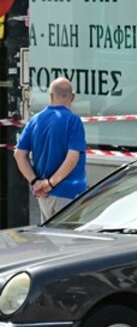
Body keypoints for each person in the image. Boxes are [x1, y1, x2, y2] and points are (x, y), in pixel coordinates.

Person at [14, 78, 87, 221]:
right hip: (69, 193)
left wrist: (35, 182)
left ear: (51, 96)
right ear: (72, 96)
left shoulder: (35, 120)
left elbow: (19, 154)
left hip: (44, 195)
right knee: (68, 235)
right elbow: (72, 158)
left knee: (49, 234)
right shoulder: (73, 121)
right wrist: (50, 183)